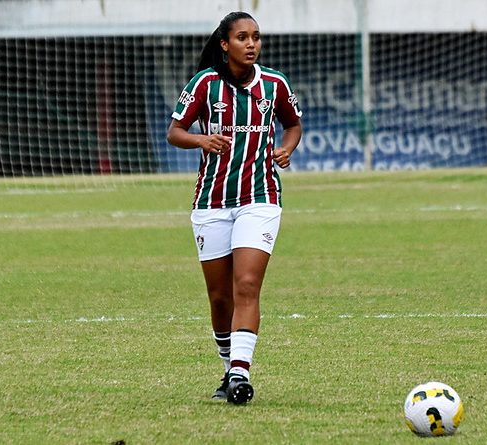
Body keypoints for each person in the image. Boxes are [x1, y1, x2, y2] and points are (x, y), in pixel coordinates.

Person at [166, 11, 303, 405]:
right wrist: (201, 141)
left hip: (260, 198)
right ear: (225, 44)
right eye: (242, 37)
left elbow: (293, 124)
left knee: (246, 285)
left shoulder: (275, 84)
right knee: (220, 297)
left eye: (256, 37)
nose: (252, 44)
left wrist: (286, 148)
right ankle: (228, 367)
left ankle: (241, 374)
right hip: (211, 201)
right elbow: (174, 131)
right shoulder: (205, 84)